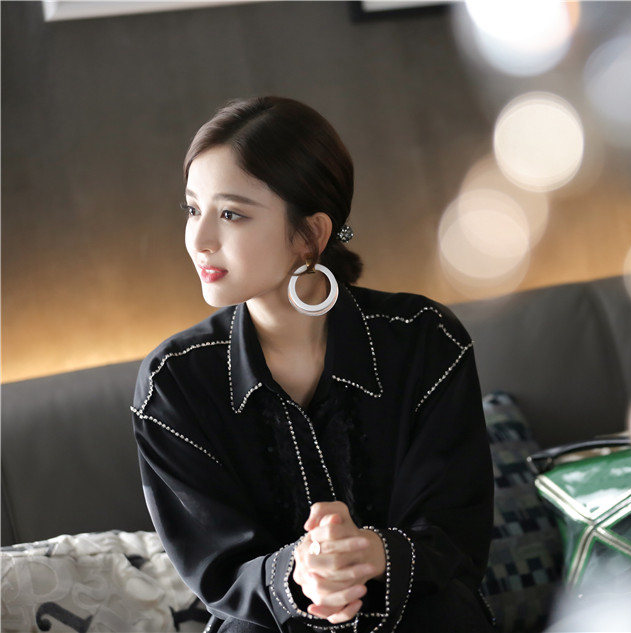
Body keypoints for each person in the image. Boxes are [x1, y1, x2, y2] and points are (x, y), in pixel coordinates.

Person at [131, 96, 495, 633]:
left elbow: (455, 535)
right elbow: (218, 571)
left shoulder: (426, 341)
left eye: (230, 214)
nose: (200, 240)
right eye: (192, 209)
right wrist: (300, 573)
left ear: (311, 235)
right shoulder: (174, 383)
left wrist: (375, 553)